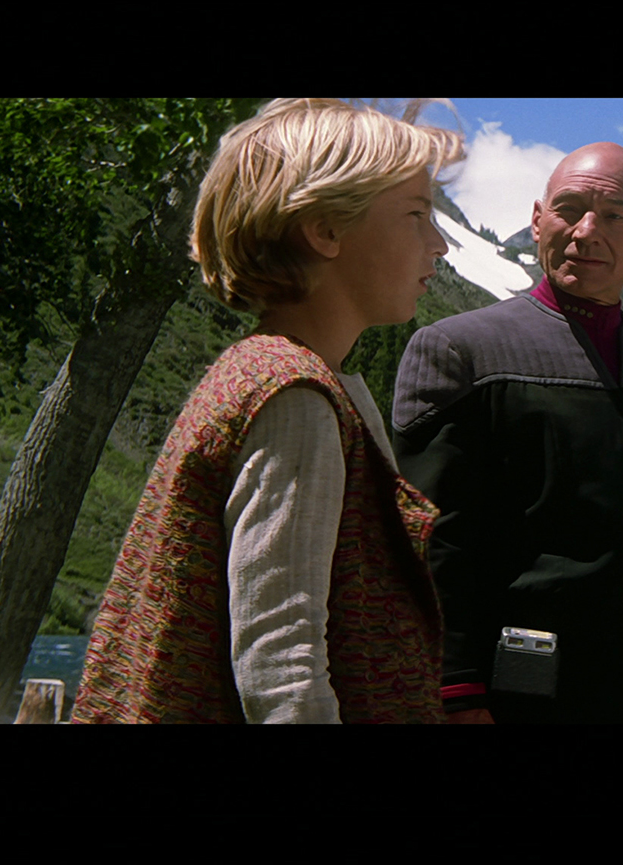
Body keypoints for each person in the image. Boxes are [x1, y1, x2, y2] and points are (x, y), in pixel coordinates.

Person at [72, 98, 456, 724]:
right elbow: (282, 670)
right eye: (416, 215)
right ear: (325, 229)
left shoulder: (267, 373)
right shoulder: (294, 398)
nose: (438, 243)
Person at [391, 142, 623, 724]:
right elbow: (435, 546)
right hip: (512, 698)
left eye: (614, 216)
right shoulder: (460, 352)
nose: (587, 231)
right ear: (538, 220)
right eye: (569, 209)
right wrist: (458, 693)